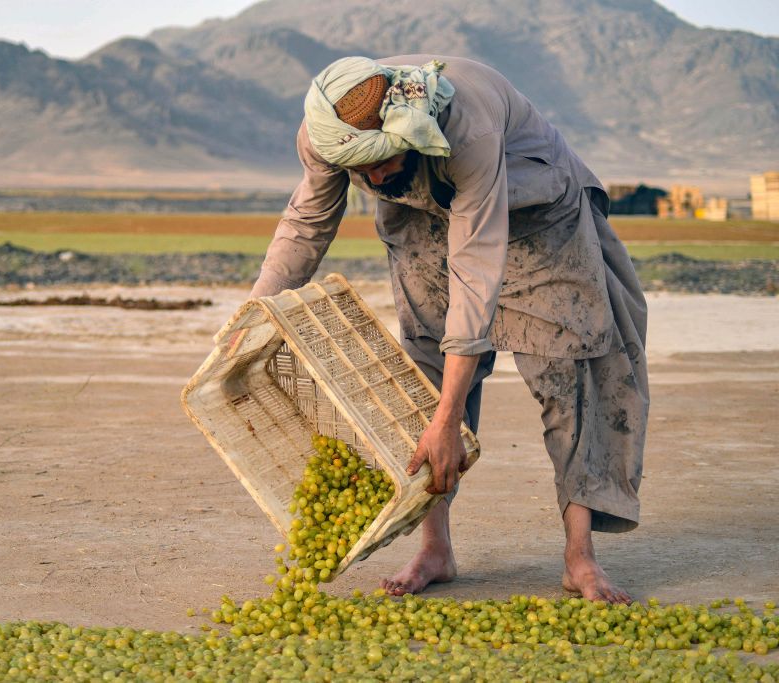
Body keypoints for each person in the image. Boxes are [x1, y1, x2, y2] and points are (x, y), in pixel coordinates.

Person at [249, 55, 649, 604]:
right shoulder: (323, 133)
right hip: (423, 214)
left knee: (570, 376)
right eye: (360, 171)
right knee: (421, 375)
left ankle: (579, 557)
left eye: (383, 161)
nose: (374, 180)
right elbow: (305, 224)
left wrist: (450, 419)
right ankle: (435, 549)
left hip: (534, 210)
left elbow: (476, 272)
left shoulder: (468, 125)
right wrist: (252, 315)